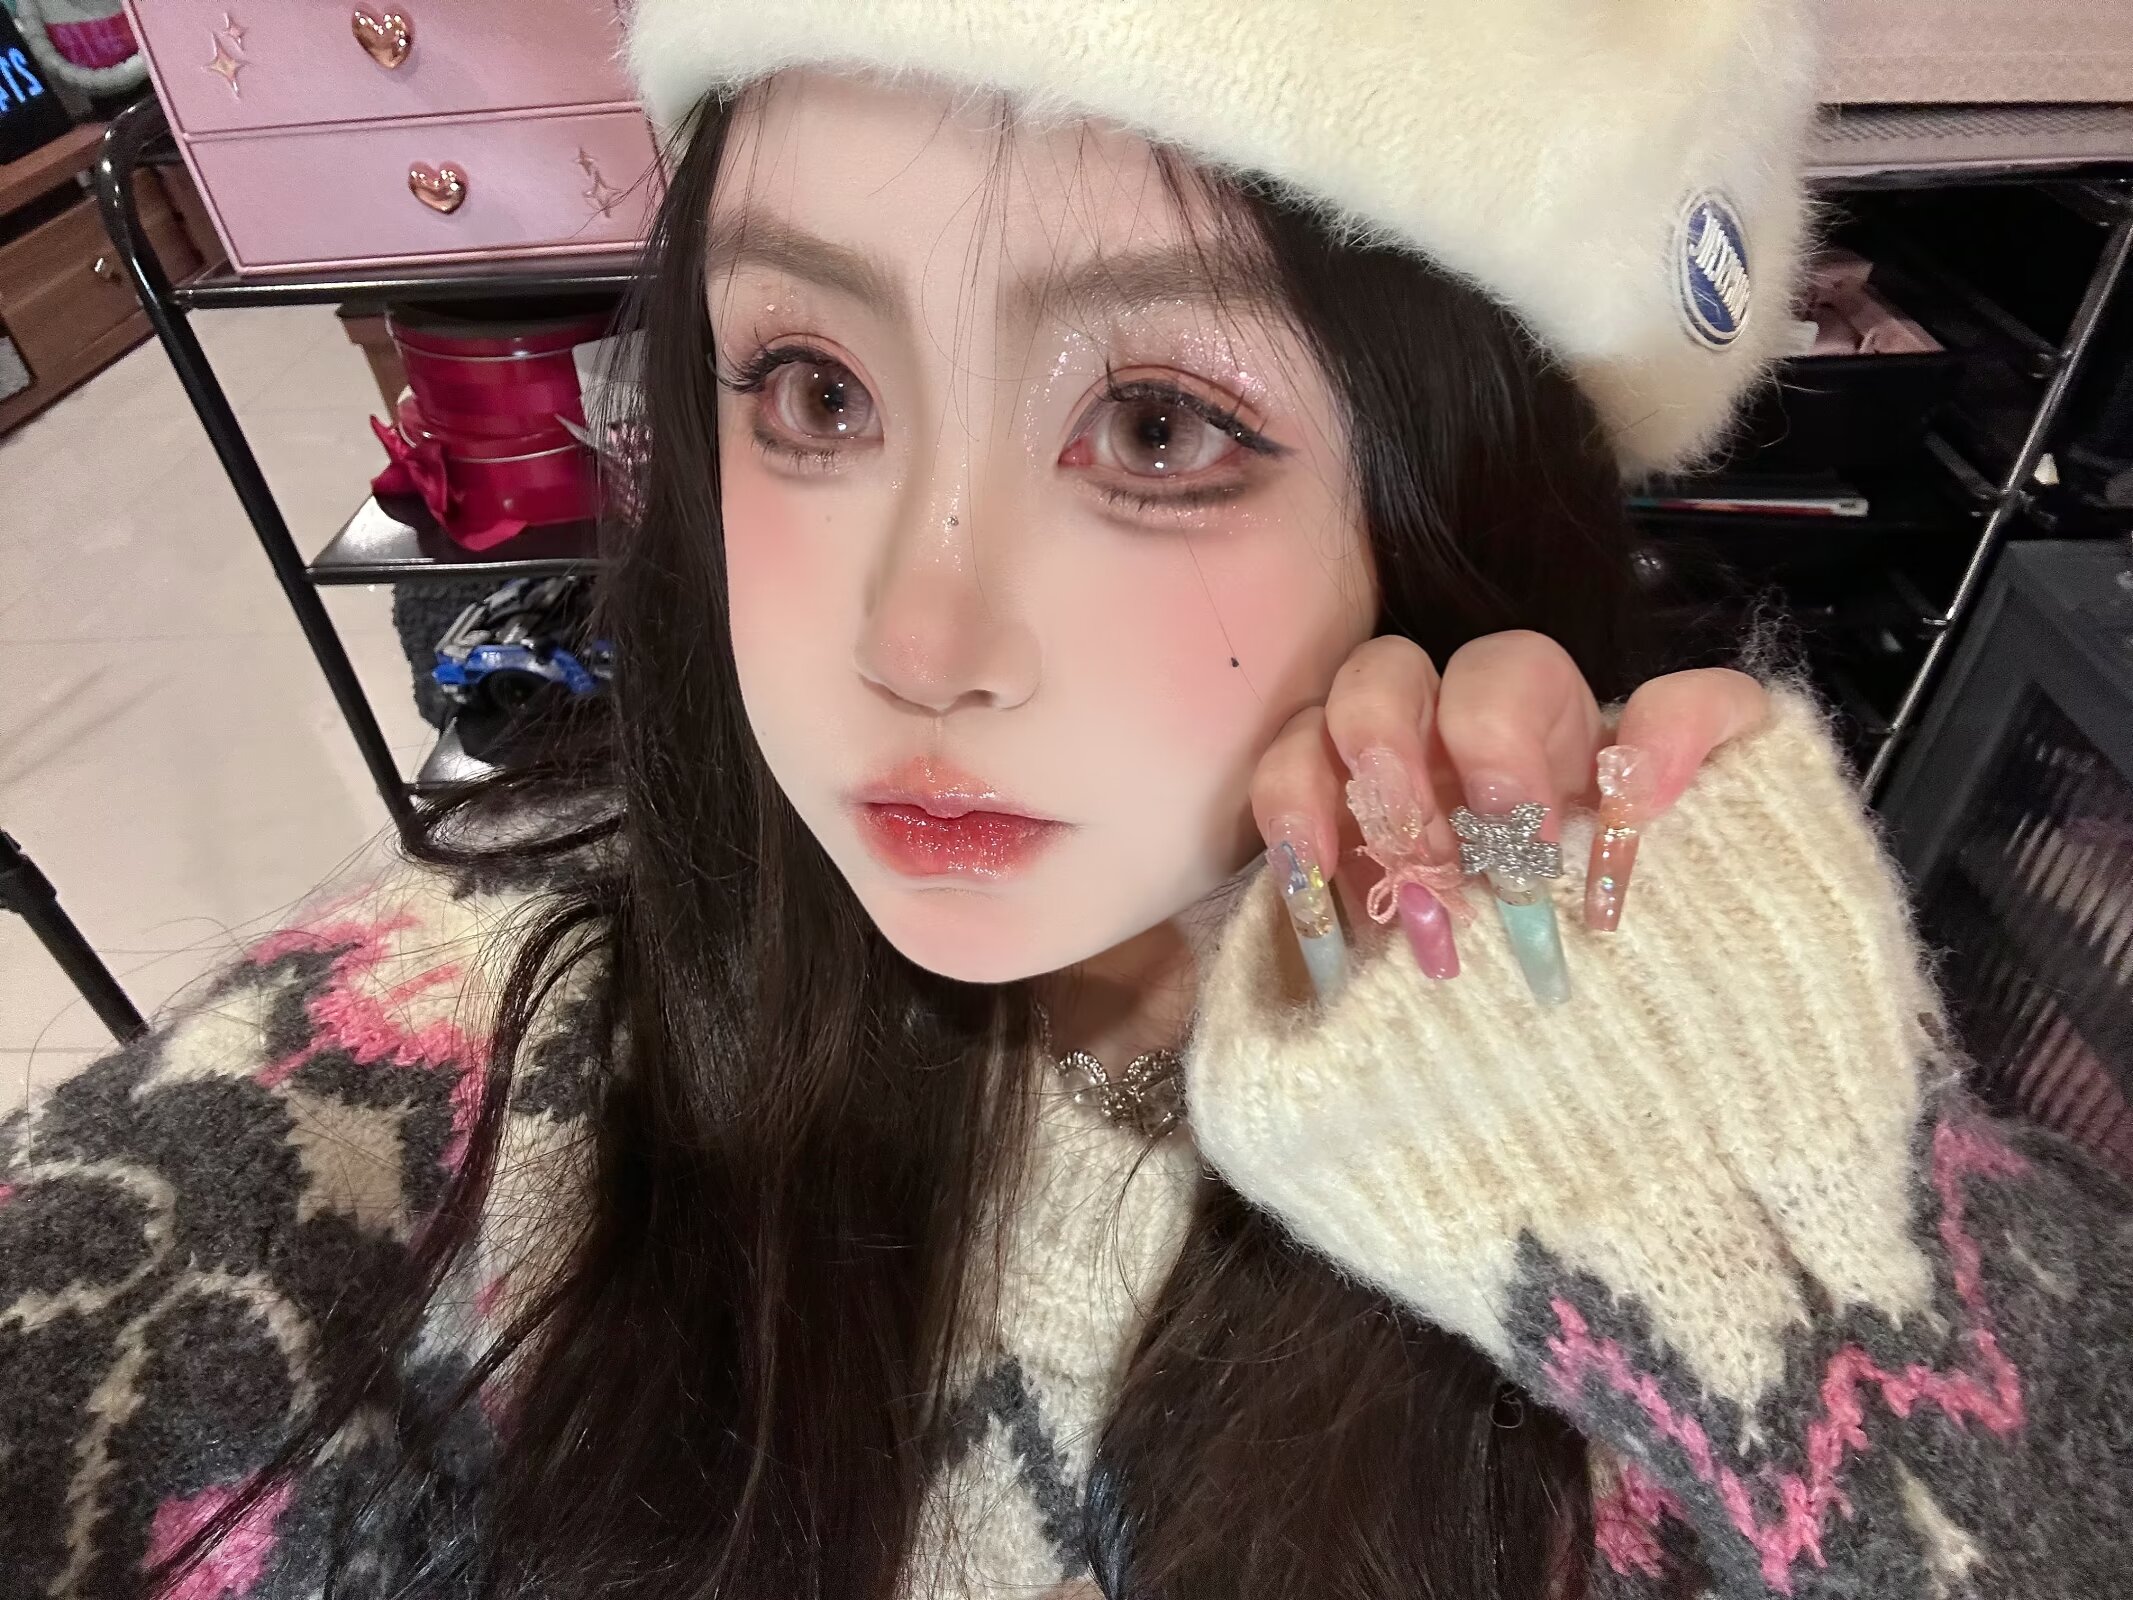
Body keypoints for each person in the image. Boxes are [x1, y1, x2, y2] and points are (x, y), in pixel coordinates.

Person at [5, 2, 2130, 1597]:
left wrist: (1787, 1204)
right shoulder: (432, 1086)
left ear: (1450, 497)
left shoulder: (1619, 1190)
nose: (915, 638)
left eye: (1157, 424)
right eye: (811, 389)